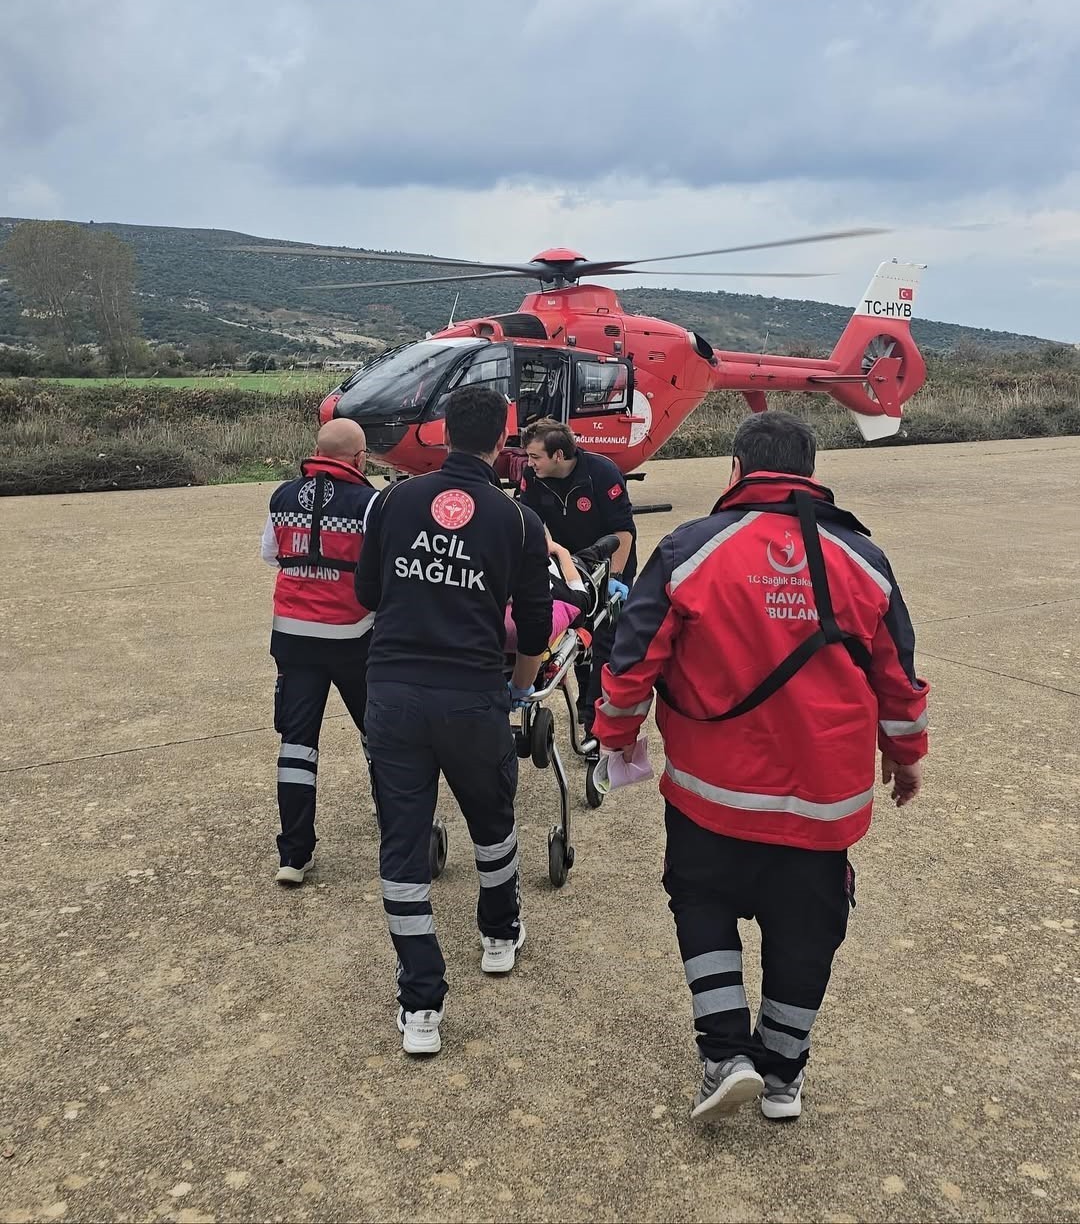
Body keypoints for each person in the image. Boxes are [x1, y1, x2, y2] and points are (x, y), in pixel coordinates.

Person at [593, 411, 929, 1123]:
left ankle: (724, 1055)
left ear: (737, 471)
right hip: (822, 801)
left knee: (703, 904)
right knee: (808, 928)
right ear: (810, 472)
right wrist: (905, 757)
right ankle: (781, 1076)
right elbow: (898, 675)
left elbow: (633, 658)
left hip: (710, 796)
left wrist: (616, 734)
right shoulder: (864, 557)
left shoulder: (691, 549)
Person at [355, 385, 551, 1057]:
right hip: (472, 696)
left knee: (402, 846)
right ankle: (499, 937)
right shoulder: (521, 522)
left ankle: (421, 1008)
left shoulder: (390, 501)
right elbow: (531, 629)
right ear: (503, 442)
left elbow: (367, 594)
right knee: (493, 825)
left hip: (395, 694)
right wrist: (518, 694)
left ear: (440, 433)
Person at [260, 419, 379, 886]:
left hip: (292, 638)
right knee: (379, 734)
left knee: (296, 746)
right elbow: (379, 565)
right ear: (357, 458)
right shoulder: (369, 503)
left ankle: (294, 855)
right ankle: (394, 823)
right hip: (354, 636)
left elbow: (270, 555)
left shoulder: (282, 496)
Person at [516, 418, 635, 749]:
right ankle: (587, 714)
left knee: (606, 647)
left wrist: (613, 580)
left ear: (557, 455)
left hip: (608, 565)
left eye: (535, 457)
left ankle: (598, 725)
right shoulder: (532, 477)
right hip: (567, 567)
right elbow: (530, 522)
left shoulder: (602, 474)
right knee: (578, 645)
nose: (529, 463)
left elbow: (622, 532)